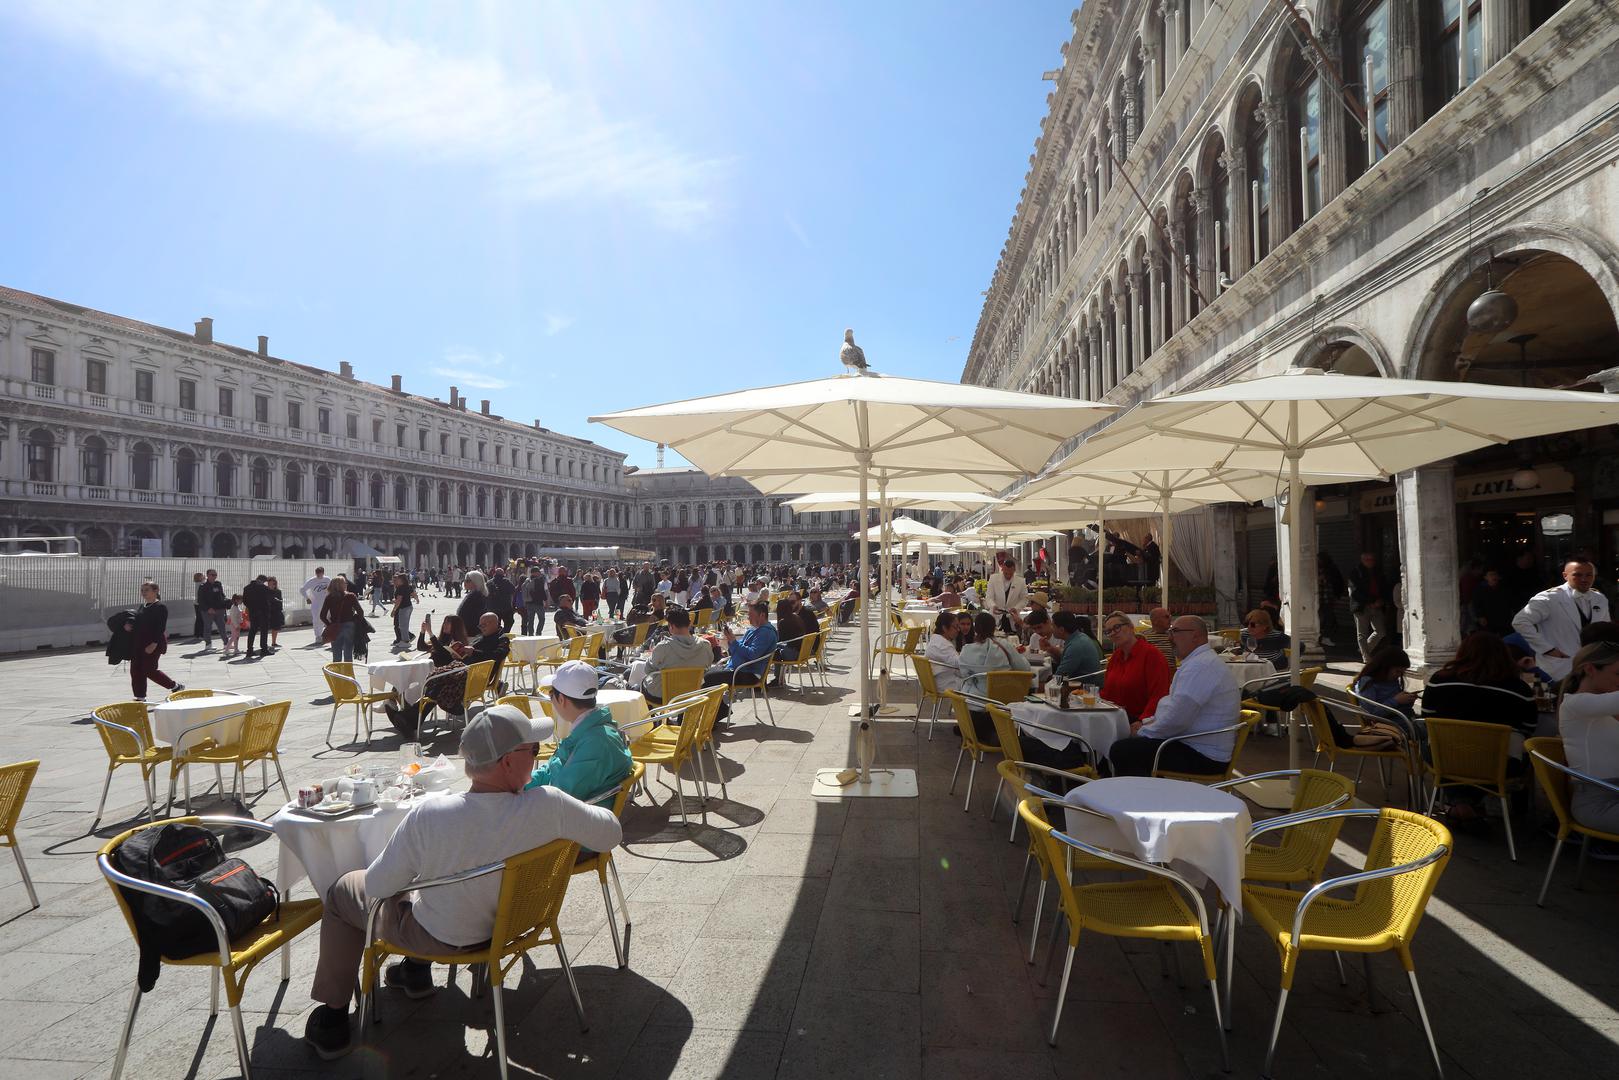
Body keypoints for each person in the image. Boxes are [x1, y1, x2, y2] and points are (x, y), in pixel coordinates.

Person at [303, 703, 622, 1059]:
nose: (538, 756)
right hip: (513, 925)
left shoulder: (430, 816)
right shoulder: (550, 806)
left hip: (442, 936)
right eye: (533, 750)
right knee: (425, 886)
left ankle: (332, 1020)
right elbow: (611, 833)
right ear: (507, 762)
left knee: (344, 889)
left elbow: (378, 889)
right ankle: (414, 973)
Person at [1107, 617, 1241, 777]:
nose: (1169, 637)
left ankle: (1139, 797)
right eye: (1170, 632)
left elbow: (1176, 719)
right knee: (1127, 740)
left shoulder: (1199, 667)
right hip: (1196, 743)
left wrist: (1143, 731)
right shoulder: (1200, 662)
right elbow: (1175, 711)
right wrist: (1147, 723)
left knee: (1122, 750)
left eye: (1175, 632)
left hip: (1204, 755)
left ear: (1196, 636)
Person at [1554, 639, 1619, 838]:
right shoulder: (1576, 704)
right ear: (1590, 669)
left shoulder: (1604, 707)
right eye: (1618, 674)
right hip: (1598, 803)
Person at [1512, 558, 1611, 682]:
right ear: (1565, 576)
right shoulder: (1549, 598)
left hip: (1592, 667)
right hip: (1558, 668)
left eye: (1589, 575)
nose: (1584, 579)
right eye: (1578, 575)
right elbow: (1520, 622)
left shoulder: (1600, 598)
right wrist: (1547, 649)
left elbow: (1605, 630)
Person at [702, 601, 778, 718]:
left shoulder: (766, 633)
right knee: (705, 674)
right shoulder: (754, 630)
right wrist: (730, 639)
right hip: (739, 668)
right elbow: (736, 649)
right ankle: (718, 711)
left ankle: (716, 713)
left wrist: (733, 641)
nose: (748, 617)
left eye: (751, 615)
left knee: (707, 679)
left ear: (762, 615)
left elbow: (753, 654)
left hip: (749, 673)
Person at [1100, 612, 1171, 724]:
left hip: (1142, 721)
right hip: (1114, 717)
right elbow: (1107, 693)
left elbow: (1159, 696)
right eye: (1108, 631)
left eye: (1117, 627)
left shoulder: (1151, 655)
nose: (1113, 633)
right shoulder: (1116, 657)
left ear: (1130, 627)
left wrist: (1142, 721)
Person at [639, 606, 715, 703]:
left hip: (664, 695)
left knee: (640, 686)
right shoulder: (705, 645)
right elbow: (708, 666)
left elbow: (648, 669)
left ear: (671, 626)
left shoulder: (664, 647)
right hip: (692, 693)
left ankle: (653, 717)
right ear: (689, 623)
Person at [124, 581, 183, 701]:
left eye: (146, 590)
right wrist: (129, 625)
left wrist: (154, 644)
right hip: (138, 643)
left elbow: (160, 627)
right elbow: (139, 622)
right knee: (136, 670)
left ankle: (175, 686)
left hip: (153, 643)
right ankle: (140, 697)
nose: (143, 593)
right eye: (142, 590)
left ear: (156, 591)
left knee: (149, 670)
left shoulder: (160, 607)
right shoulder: (142, 606)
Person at [957, 611, 1030, 700]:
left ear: (975, 629)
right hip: (1003, 700)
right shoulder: (1004, 645)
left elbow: (964, 675)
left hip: (974, 701)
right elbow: (1024, 668)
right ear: (994, 628)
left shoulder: (966, 650)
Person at [1348, 551, 1396, 662]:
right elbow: (1355, 591)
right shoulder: (1356, 572)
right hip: (1361, 606)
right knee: (1362, 634)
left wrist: (1382, 601)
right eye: (1367, 560)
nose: (1370, 562)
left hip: (1377, 606)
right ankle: (1366, 658)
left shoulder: (1378, 572)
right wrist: (1371, 601)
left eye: (1372, 560)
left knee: (1380, 631)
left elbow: (1384, 587)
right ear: (1363, 560)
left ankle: (1364, 650)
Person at [1352, 646, 1418, 725]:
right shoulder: (1368, 682)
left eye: (1402, 673)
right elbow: (1370, 714)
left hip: (1403, 719)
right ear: (1385, 667)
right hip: (1388, 725)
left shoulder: (1391, 680)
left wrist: (1407, 700)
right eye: (1397, 671)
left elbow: (1396, 705)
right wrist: (1396, 700)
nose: (1399, 675)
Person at [1049, 611, 1104, 686]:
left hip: (1083, 689)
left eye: (1053, 626)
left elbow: (1059, 676)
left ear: (1061, 629)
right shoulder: (1079, 637)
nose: (1051, 629)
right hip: (1084, 684)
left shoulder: (1076, 645)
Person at [320, 577, 365, 663]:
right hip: (349, 625)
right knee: (348, 653)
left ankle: (337, 674)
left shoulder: (329, 597)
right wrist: (357, 621)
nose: (346, 584)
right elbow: (360, 612)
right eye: (344, 583)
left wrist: (329, 625)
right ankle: (347, 674)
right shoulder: (351, 596)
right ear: (340, 585)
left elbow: (322, 616)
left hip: (335, 627)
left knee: (336, 655)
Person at [924, 610, 965, 696]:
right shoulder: (943, 645)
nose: (958, 630)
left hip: (936, 681)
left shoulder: (936, 640)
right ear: (945, 628)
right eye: (955, 627)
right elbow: (959, 664)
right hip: (945, 684)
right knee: (977, 687)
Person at [986, 558, 1028, 634]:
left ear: (1014, 570)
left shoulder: (1021, 581)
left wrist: (1016, 608)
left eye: (1010, 573)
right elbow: (989, 597)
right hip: (996, 616)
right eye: (1006, 573)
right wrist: (993, 606)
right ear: (1002, 569)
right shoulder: (993, 579)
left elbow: (1024, 599)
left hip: (1012, 618)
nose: (1008, 575)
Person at [1469, 567, 1515, 636]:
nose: (1494, 577)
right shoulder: (1480, 590)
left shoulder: (1504, 588)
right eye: (1491, 575)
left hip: (1504, 620)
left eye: (1495, 574)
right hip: (1488, 620)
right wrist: (1480, 616)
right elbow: (1476, 605)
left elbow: (1509, 603)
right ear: (1485, 577)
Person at [1316, 552, 1346, 649]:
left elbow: (1337, 582)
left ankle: (1325, 636)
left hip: (1326, 598)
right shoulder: (1317, 569)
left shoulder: (1330, 569)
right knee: (1323, 618)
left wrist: (1337, 595)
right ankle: (1322, 636)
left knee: (1327, 618)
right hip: (1321, 598)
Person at [242, 574, 272, 660]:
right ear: (262, 581)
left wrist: (251, 608)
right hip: (263, 612)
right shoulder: (263, 588)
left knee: (252, 631)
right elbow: (269, 597)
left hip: (253, 612)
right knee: (264, 631)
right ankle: (264, 649)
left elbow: (245, 601)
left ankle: (249, 650)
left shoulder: (247, 588)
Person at [197, 568, 228, 650]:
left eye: (215, 575)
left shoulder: (218, 584)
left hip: (219, 609)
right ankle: (208, 644)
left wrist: (225, 603)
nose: (214, 576)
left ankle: (226, 643)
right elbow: (200, 600)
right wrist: (208, 608)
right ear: (207, 575)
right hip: (208, 611)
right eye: (212, 575)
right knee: (207, 627)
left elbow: (221, 595)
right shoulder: (203, 586)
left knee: (222, 627)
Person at [301, 567, 331, 646]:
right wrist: (308, 598)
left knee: (325, 619)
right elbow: (302, 589)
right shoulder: (312, 580)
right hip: (316, 603)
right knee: (316, 619)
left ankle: (323, 635)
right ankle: (317, 636)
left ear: (323, 573)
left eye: (320, 573)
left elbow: (332, 588)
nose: (318, 575)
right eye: (317, 573)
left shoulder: (327, 580)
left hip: (326, 603)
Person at [390, 572, 417, 648]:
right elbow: (414, 594)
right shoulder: (408, 586)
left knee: (402, 626)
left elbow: (399, 600)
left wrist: (394, 610)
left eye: (397, 579)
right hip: (409, 607)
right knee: (404, 625)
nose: (396, 580)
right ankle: (403, 640)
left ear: (401, 580)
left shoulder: (400, 588)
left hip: (403, 608)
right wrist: (417, 599)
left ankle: (406, 641)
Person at [485, 567, 516, 633]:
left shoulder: (489, 583)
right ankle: (505, 633)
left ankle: (498, 634)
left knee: (496, 624)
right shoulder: (506, 581)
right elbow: (513, 590)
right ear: (503, 573)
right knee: (509, 622)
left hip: (493, 608)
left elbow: (485, 594)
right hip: (506, 607)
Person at [519, 566, 548, 636]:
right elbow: (542, 592)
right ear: (537, 572)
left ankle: (531, 633)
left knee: (530, 620)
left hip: (528, 603)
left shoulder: (527, 580)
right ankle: (538, 633)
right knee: (542, 619)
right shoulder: (539, 580)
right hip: (538, 603)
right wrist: (546, 600)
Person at [265, 576, 284, 651]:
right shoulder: (265, 591)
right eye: (270, 584)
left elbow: (280, 600)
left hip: (276, 611)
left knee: (275, 628)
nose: (272, 586)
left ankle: (274, 642)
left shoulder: (278, 591)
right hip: (268, 611)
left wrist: (278, 602)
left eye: (273, 584)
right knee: (266, 628)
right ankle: (264, 643)